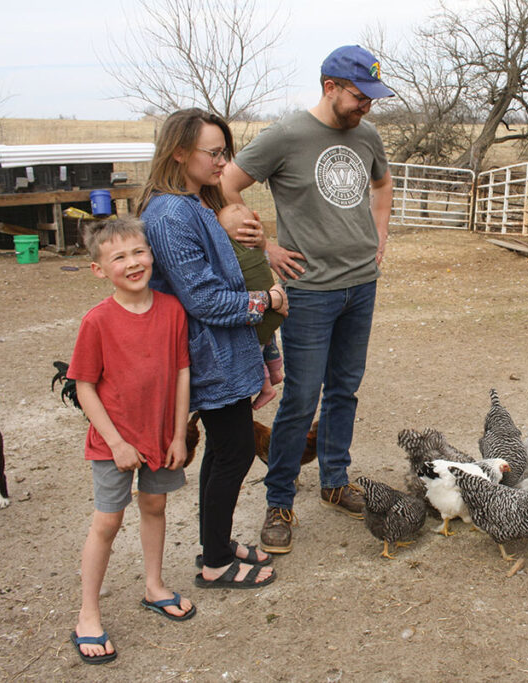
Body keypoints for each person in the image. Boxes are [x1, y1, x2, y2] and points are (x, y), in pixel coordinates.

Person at [221, 44, 394, 554]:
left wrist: (380, 235)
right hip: (309, 292)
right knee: (300, 397)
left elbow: (382, 184)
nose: (367, 107)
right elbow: (228, 185)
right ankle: (279, 501)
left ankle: (335, 481)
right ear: (330, 88)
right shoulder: (287, 135)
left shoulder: (367, 135)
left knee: (345, 388)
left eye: (372, 99)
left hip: (361, 285)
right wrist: (266, 245)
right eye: (361, 97)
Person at [139, 108, 287, 586]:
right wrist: (264, 301)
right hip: (209, 355)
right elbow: (202, 298)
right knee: (235, 451)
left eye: (227, 152)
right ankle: (216, 563)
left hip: (226, 349)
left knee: (227, 450)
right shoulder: (168, 214)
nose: (225, 162)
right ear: (180, 152)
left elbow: (227, 268)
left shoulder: (195, 203)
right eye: (215, 153)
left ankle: (216, 546)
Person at [68, 217, 193, 664]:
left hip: (161, 438)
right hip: (113, 444)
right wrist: (118, 443)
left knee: (155, 506)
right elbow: (84, 386)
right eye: (118, 257)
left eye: (138, 252)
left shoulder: (173, 310)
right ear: (99, 270)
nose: (132, 263)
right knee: (107, 522)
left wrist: (178, 434)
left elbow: (181, 372)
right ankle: (88, 614)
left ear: (151, 254)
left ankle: (154, 586)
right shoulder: (97, 322)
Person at [216, 202, 285, 410]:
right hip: (274, 308)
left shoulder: (234, 258)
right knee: (270, 343)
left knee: (256, 351)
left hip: (257, 312)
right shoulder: (259, 250)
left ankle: (266, 387)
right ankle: (276, 372)